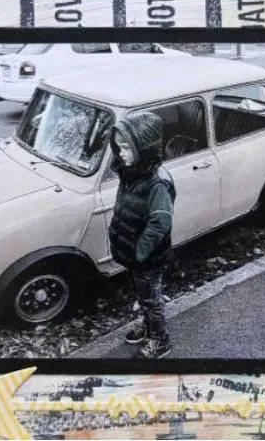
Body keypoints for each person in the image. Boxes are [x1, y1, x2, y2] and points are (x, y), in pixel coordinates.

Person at [108, 111, 176, 359]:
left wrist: (140, 252)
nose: (121, 153)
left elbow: (160, 223)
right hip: (132, 253)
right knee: (142, 295)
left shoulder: (157, 184)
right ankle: (148, 326)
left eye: (127, 147)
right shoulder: (131, 174)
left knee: (151, 299)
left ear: (144, 149)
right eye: (119, 147)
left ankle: (160, 339)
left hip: (147, 258)